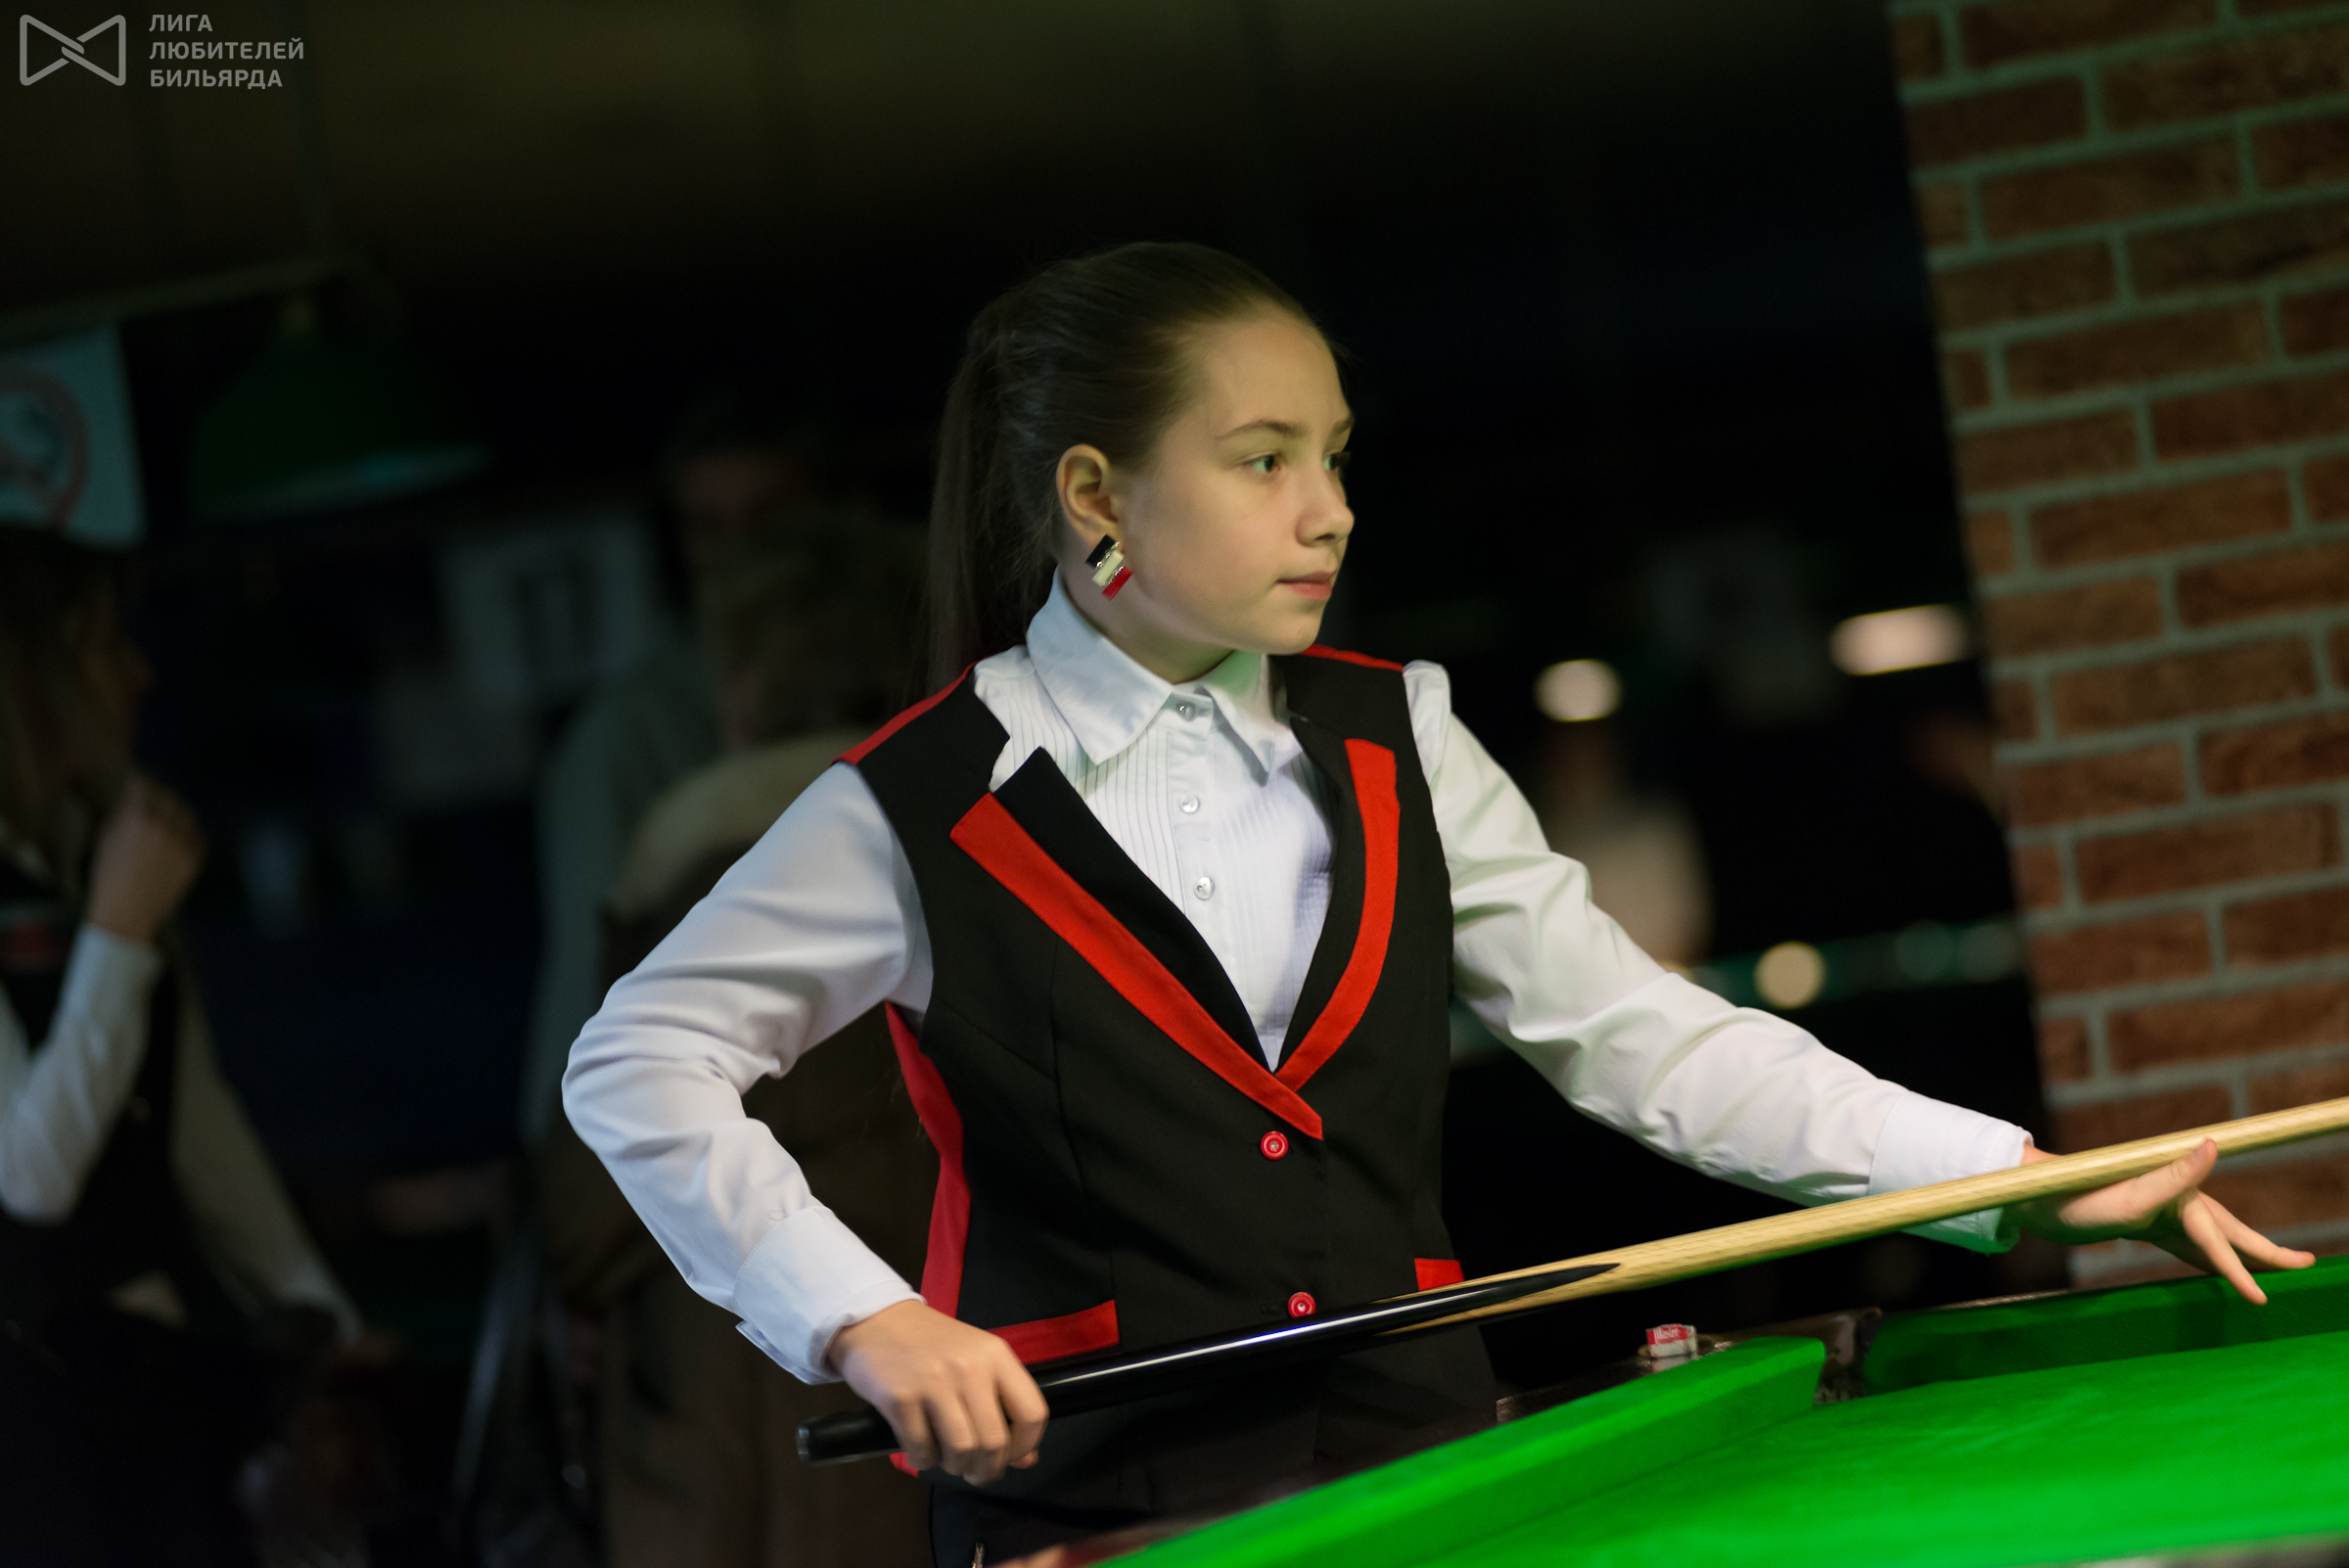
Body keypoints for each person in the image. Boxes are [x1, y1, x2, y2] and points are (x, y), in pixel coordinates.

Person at [563, 243, 2317, 1568]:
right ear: (1095, 495)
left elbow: (1644, 1039)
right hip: (1101, 1509)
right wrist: (857, 1313)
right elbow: (637, 1061)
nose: (1329, 510)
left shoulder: (1400, 728)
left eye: (1334, 454)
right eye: (1263, 459)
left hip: (1431, 1470)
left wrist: (2014, 1178)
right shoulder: (911, 803)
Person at [538, 525, 935, 1567]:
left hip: (734, 1476)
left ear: (741, 698)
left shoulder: (688, 888)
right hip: (958, 1440)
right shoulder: (992, 854)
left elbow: (582, 1219)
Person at [0, 531, 365, 1565]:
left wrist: (327, 1331)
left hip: (158, 1397)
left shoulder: (93, 862)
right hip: (36, 1433)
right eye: (102, 646)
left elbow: (202, 1134)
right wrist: (116, 939)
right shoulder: (110, 892)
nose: (139, 674)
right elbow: (26, 1177)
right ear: (27, 682)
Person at [518, 387, 827, 1147]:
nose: (741, 550)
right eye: (708, 526)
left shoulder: (904, 668)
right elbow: (591, 994)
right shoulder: (626, 736)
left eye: (770, 517)